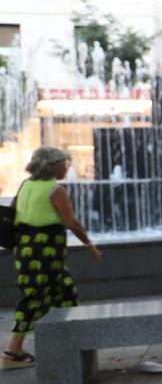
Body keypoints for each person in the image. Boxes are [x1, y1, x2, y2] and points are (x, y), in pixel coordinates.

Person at [4, 146, 101, 369]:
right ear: (54, 166)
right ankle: (12, 351)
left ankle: (67, 341)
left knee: (64, 290)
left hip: (26, 248)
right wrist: (90, 245)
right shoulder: (54, 190)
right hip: (44, 250)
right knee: (34, 296)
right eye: (64, 163)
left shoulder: (26, 185)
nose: (67, 167)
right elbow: (72, 223)